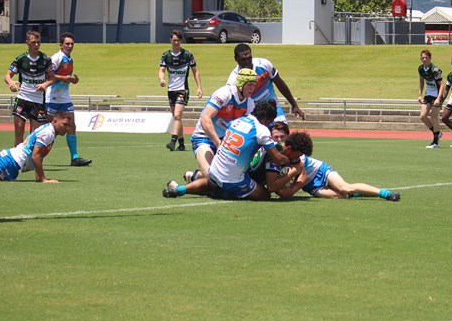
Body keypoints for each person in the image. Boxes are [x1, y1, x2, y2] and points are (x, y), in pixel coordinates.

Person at [163, 100, 299, 200]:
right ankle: (221, 192)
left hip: (214, 169)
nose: (269, 125)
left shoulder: (237, 121)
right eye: (270, 121)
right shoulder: (261, 130)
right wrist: (291, 162)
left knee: (213, 180)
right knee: (264, 195)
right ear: (265, 118)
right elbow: (276, 158)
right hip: (233, 178)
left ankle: (180, 189)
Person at [264, 123, 400, 202]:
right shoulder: (274, 152)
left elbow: (303, 175)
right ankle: (356, 193)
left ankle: (385, 194)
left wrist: (292, 190)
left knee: (344, 188)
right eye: (276, 136)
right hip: (311, 187)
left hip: (321, 170)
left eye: (282, 136)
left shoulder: (299, 156)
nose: (279, 139)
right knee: (341, 196)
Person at [188, 68, 265, 179]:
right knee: (211, 176)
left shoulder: (249, 103)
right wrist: (218, 144)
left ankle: (195, 177)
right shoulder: (224, 93)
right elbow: (205, 118)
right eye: (249, 85)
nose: (252, 88)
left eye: (254, 85)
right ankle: (197, 176)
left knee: (228, 178)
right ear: (240, 83)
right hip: (204, 138)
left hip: (227, 142)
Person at [226, 43, 305, 122]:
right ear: (236, 59)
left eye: (249, 58)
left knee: (281, 132)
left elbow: (280, 83)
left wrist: (294, 105)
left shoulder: (264, 64)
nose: (247, 62)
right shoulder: (233, 80)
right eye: (243, 59)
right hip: (252, 115)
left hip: (273, 108)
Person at [46, 32, 92, 166]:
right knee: (47, 128)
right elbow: (49, 76)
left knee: (71, 125)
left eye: (72, 44)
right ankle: (34, 153)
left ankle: (75, 158)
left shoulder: (69, 59)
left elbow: (65, 78)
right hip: (52, 98)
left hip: (64, 98)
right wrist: (65, 78)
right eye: (67, 43)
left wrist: (73, 80)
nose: (70, 46)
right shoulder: (56, 58)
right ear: (61, 45)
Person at [4, 30, 55, 146]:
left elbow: (52, 78)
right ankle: (17, 161)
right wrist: (10, 82)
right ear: (27, 42)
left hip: (38, 101)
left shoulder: (45, 59)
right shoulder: (21, 59)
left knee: (34, 135)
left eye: (38, 42)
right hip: (22, 98)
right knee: (19, 130)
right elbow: (7, 75)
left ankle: (29, 161)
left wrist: (45, 85)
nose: (36, 45)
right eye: (33, 42)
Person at [0, 112, 71, 183]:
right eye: (64, 124)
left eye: (68, 126)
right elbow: (36, 156)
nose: (67, 128)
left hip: (10, 160)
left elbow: (40, 155)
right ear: (55, 121)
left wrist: (39, 176)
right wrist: (43, 179)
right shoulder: (48, 133)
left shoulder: (49, 130)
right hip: (10, 162)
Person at [159, 29, 202, 151]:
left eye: (178, 40)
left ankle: (173, 141)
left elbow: (195, 71)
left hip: (183, 90)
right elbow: (161, 70)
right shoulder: (166, 55)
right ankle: (182, 144)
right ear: (170, 41)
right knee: (176, 117)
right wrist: (161, 79)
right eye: (174, 40)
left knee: (177, 115)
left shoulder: (188, 55)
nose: (176, 43)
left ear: (181, 41)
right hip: (171, 90)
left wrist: (199, 87)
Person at [417, 49, 443, 148]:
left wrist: (438, 98)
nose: (424, 59)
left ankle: (435, 142)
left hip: (437, 94)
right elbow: (421, 82)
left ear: (430, 58)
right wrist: (419, 95)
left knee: (434, 116)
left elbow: (442, 85)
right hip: (428, 94)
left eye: (426, 58)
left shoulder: (435, 70)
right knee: (422, 116)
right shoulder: (420, 69)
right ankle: (437, 133)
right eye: (422, 58)